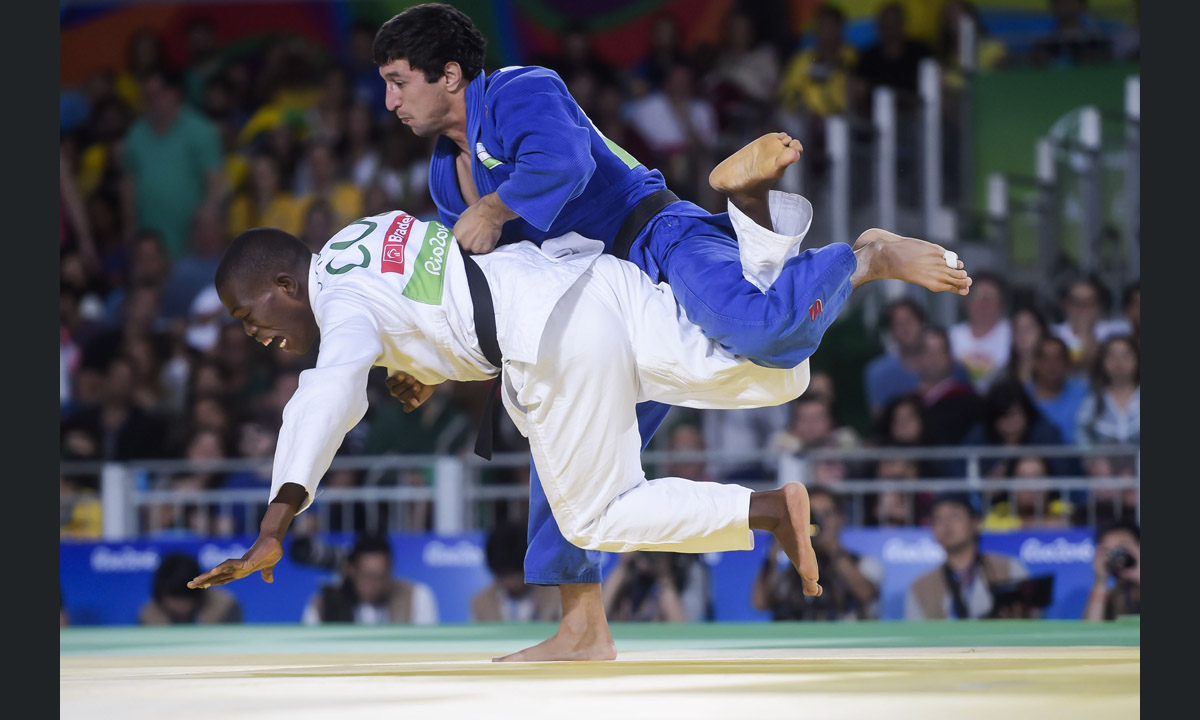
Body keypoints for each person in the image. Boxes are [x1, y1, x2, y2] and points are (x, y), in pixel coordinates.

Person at [186, 135, 969, 660]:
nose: (252, 335)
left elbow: (322, 400)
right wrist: (423, 358)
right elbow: (437, 290)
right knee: (770, 370)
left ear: (288, 286)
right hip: (594, 282)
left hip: (553, 345)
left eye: (248, 317)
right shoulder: (365, 234)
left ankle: (765, 512)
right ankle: (849, 256)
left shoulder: (341, 305)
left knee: (592, 513)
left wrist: (272, 525)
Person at [372, 3, 971, 663]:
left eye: (400, 80)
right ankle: (582, 630)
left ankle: (863, 258)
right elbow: (493, 286)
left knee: (762, 334)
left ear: (450, 75)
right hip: (593, 321)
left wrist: (493, 205)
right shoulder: (442, 172)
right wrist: (429, 361)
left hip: (655, 240)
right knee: (563, 452)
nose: (389, 99)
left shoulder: (521, 90)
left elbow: (563, 165)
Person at [752, 487, 881, 620]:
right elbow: (760, 603)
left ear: (840, 518)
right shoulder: (788, 566)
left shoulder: (863, 562)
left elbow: (867, 595)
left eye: (825, 514)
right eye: (811, 515)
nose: (818, 521)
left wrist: (833, 550)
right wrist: (774, 553)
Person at [904, 493, 1029, 620]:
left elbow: (1030, 621)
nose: (946, 525)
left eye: (954, 516)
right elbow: (916, 635)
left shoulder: (1009, 569)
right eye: (938, 519)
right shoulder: (920, 586)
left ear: (974, 522)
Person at [301, 533, 438, 625]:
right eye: (368, 576)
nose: (375, 584)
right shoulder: (324, 604)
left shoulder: (416, 596)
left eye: (381, 576)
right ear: (351, 570)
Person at [471, 523, 560, 622]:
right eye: (503, 576)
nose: (510, 583)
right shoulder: (481, 603)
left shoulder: (558, 599)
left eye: (515, 575)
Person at [140, 553, 242, 625]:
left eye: (185, 598)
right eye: (174, 597)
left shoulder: (225, 607)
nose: (180, 606)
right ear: (161, 595)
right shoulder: (149, 615)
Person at [1075, 335, 1140, 446]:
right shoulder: (1092, 400)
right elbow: (1081, 435)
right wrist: (1094, 459)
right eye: (1112, 356)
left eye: (1125, 355)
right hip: (1102, 462)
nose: (1119, 362)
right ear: (1103, 362)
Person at [1084, 521, 1140, 621]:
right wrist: (1100, 581)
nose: (1118, 556)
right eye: (1109, 551)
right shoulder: (1115, 596)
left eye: (1122, 548)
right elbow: (1091, 631)